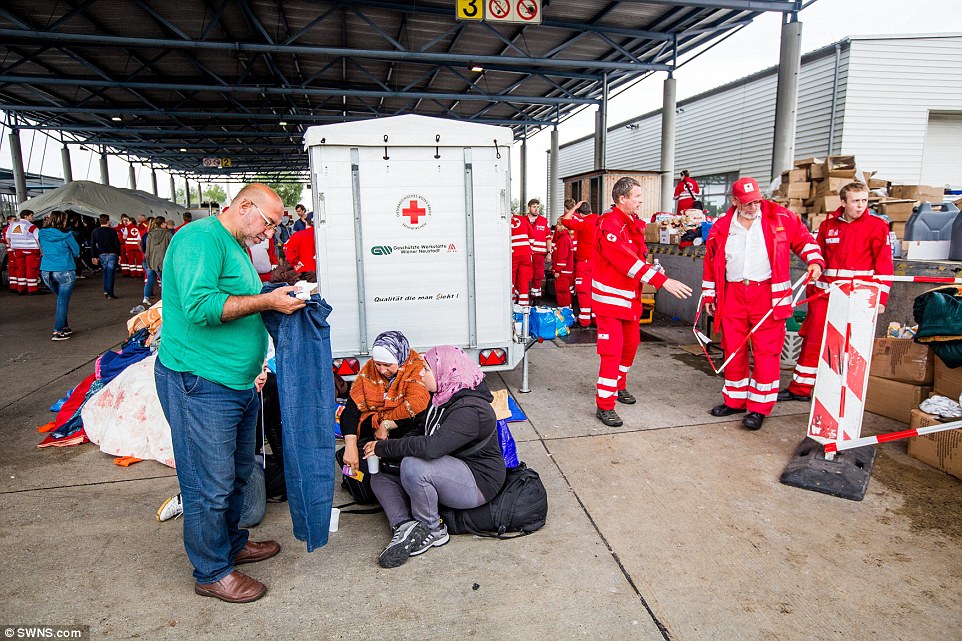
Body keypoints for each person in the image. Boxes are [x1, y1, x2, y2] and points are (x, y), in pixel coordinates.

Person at [153, 183, 306, 603]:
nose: (270, 234)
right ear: (245, 207)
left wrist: (273, 289)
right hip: (201, 382)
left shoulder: (232, 241)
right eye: (269, 223)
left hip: (235, 383)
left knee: (238, 473)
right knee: (209, 484)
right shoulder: (199, 240)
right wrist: (267, 302)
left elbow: (232, 292)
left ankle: (232, 543)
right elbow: (201, 308)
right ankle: (211, 570)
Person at [362, 345, 505, 568]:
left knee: (413, 466)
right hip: (449, 469)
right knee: (379, 474)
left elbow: (432, 447)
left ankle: (431, 529)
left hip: (477, 483)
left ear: (445, 371)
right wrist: (387, 450)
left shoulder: (470, 409)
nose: (421, 374)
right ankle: (405, 526)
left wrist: (385, 448)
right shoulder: (443, 396)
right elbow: (422, 430)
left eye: (426, 369)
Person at [702, 176, 824, 431]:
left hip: (768, 296)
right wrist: (710, 295)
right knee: (733, 349)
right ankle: (734, 401)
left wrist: (814, 261)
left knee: (766, 353)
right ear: (734, 201)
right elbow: (711, 263)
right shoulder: (722, 227)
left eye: (756, 201)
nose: (753, 206)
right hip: (733, 294)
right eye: (746, 203)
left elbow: (804, 240)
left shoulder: (781, 218)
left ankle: (759, 408)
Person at [591, 178, 692, 427]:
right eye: (636, 196)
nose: (641, 200)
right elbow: (624, 260)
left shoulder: (630, 223)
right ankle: (605, 405)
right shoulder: (610, 224)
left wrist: (653, 268)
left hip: (629, 300)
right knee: (612, 352)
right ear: (622, 199)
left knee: (630, 346)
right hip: (610, 302)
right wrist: (661, 280)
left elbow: (637, 257)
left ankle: (618, 386)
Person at [780, 182, 893, 402]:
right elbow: (817, 258)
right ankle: (799, 389)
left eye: (864, 201)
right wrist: (812, 291)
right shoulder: (828, 225)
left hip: (857, 296)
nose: (860, 206)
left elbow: (885, 267)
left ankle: (844, 394)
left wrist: (881, 299)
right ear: (843, 202)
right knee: (813, 341)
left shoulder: (877, 226)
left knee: (852, 345)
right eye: (855, 201)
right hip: (825, 295)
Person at [340, 331, 430, 486]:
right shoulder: (369, 370)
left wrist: (386, 424)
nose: (381, 370)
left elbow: (418, 407)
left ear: (400, 358)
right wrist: (350, 446)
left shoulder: (416, 370)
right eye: (378, 364)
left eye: (387, 365)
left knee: (388, 479)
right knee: (356, 477)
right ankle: (351, 477)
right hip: (372, 436)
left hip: (403, 437)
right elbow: (351, 410)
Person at [38, 211, 81, 341]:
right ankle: (58, 331)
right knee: (62, 301)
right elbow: (76, 251)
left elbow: (41, 248)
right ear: (63, 221)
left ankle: (64, 326)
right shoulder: (67, 235)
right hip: (65, 270)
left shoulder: (41, 233)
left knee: (61, 300)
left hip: (46, 271)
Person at [561, 199, 598, 326]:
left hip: (584, 262)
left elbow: (564, 220)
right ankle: (596, 318)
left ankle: (584, 320)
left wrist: (574, 207)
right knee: (596, 290)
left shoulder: (584, 223)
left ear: (580, 214)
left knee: (583, 290)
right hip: (598, 262)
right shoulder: (599, 221)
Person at [5, 210, 42, 294]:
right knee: (32, 269)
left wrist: (12, 247)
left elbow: (7, 238)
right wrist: (41, 250)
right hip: (31, 251)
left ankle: (21, 288)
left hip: (18, 250)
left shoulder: (12, 226)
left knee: (20, 268)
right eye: (31, 215)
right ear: (26, 216)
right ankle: (32, 289)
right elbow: (38, 239)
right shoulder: (32, 226)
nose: (33, 217)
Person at [90, 214, 121, 299]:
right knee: (111, 273)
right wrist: (119, 254)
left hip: (102, 253)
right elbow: (117, 244)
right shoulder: (112, 231)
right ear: (108, 221)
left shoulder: (95, 231)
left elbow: (93, 244)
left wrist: (94, 256)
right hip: (112, 253)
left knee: (105, 272)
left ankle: (106, 290)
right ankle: (110, 293)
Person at [143, 217, 173, 305]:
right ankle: (164, 300)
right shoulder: (168, 234)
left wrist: (148, 262)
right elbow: (171, 248)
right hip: (163, 261)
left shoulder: (150, 234)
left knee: (150, 280)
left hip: (152, 261)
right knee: (164, 281)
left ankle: (146, 297)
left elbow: (147, 250)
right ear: (163, 224)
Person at [525, 199, 550, 303]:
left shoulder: (544, 221)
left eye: (538, 207)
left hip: (539, 254)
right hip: (526, 253)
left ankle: (536, 298)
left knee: (538, 275)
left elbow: (548, 237)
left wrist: (549, 252)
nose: (536, 209)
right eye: (534, 207)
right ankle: (523, 296)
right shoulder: (523, 220)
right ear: (529, 208)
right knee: (525, 275)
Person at [510, 209, 533, 307]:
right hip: (526, 254)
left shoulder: (506, 221)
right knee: (524, 279)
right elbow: (532, 236)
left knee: (511, 278)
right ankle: (524, 306)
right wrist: (528, 248)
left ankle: (511, 302)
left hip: (513, 253)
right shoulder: (523, 219)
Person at [551, 220, 575, 307]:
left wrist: (557, 270)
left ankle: (564, 311)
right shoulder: (566, 238)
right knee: (565, 292)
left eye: (558, 224)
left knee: (562, 292)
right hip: (566, 271)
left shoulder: (563, 239)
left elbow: (562, 257)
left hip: (563, 272)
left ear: (562, 226)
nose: (556, 226)